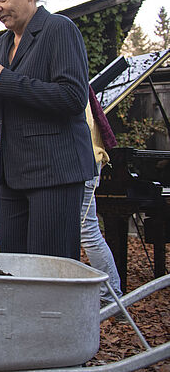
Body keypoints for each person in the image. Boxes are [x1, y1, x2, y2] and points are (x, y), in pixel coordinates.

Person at [0, 0, 95, 260]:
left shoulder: (59, 29)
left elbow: (73, 97)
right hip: (12, 173)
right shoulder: (2, 45)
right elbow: (7, 106)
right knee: (14, 266)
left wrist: (3, 78)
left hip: (55, 171)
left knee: (49, 268)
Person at [82, 87, 123, 304]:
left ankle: (111, 296)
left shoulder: (76, 84)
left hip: (86, 163)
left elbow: (86, 126)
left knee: (87, 232)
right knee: (86, 231)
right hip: (86, 162)